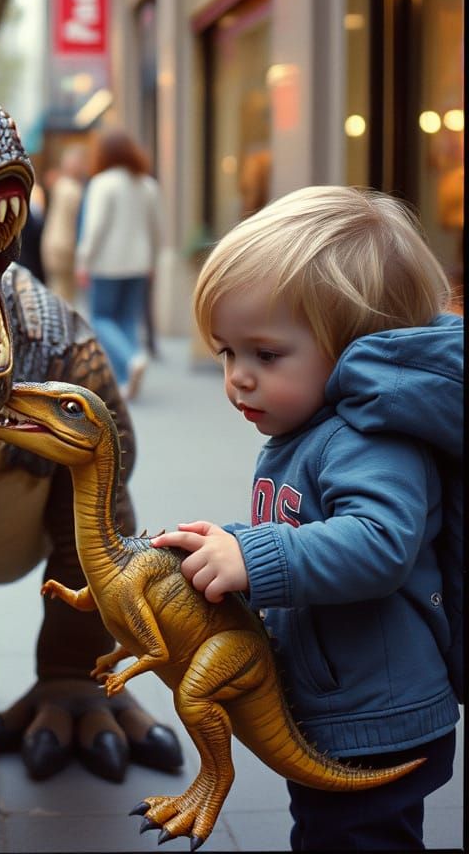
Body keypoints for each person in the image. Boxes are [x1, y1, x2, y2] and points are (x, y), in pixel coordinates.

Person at [152, 185, 461, 851]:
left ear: (355, 348)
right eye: (226, 351)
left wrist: (253, 558)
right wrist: (232, 544)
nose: (238, 377)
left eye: (265, 355)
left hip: (378, 716)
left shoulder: (369, 439)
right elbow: (309, 530)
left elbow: (379, 544)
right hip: (337, 704)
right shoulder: (306, 432)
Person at [75, 126, 161, 401]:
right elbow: (156, 229)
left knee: (101, 318)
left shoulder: (102, 183)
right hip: (139, 263)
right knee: (127, 319)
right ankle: (127, 376)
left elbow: (95, 227)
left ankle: (131, 359)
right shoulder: (147, 185)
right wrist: (153, 261)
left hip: (106, 264)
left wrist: (83, 260)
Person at [40, 142, 88, 304]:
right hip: (65, 248)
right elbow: (77, 224)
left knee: (58, 292)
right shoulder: (73, 190)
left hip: (53, 245)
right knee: (64, 297)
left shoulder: (61, 185)